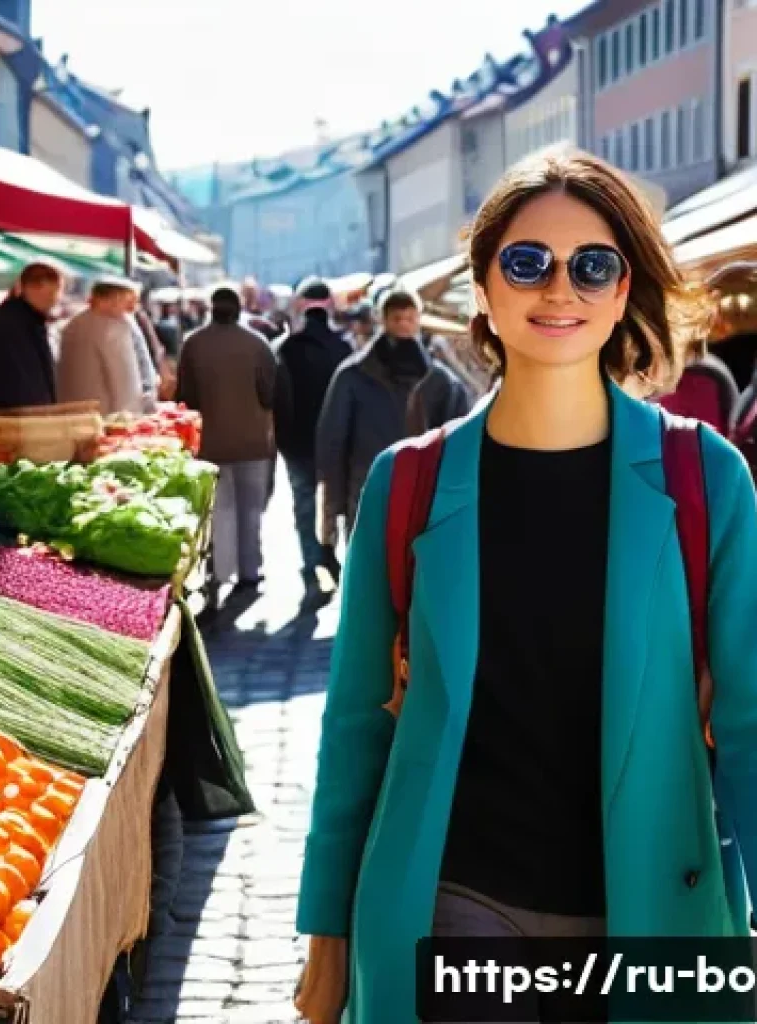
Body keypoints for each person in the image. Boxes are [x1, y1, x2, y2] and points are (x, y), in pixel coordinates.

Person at [295, 147, 757, 1024]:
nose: (559, 288)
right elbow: (356, 723)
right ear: (482, 288)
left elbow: (750, 726)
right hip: (456, 903)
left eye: (592, 266)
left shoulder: (706, 478)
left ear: (622, 291)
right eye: (527, 262)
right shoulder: (409, 482)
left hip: (656, 915)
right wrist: (326, 935)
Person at [315, 289, 470, 544]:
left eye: (409, 318)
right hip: (368, 491)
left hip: (421, 495)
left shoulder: (441, 381)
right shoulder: (353, 376)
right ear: (383, 320)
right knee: (370, 563)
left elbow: (459, 441)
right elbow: (333, 441)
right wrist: (331, 509)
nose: (404, 325)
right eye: (397, 318)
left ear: (419, 319)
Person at [176, 287, 277, 589]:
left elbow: (185, 397)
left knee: (220, 511)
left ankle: (221, 571)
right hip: (253, 441)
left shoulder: (193, 344)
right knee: (251, 510)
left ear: (211, 309)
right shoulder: (258, 344)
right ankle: (250, 570)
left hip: (209, 443)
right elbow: (269, 394)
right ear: (239, 309)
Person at [274, 278, 352, 592]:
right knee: (334, 502)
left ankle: (311, 561)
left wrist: (282, 439)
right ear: (329, 306)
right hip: (337, 441)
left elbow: (280, 398)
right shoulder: (343, 349)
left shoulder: (288, 349)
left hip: (298, 442)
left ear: (301, 305)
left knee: (304, 503)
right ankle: (328, 552)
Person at [0, 263, 62, 412]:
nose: (55, 300)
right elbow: (26, 387)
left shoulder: (18, 319)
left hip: (6, 414)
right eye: (52, 293)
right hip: (11, 417)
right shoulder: (15, 325)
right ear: (33, 288)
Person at [57, 278, 143, 416]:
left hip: (70, 413)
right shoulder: (113, 327)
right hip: (106, 415)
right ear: (115, 298)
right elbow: (125, 381)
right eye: (129, 301)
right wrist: (130, 416)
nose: (133, 308)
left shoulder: (73, 324)